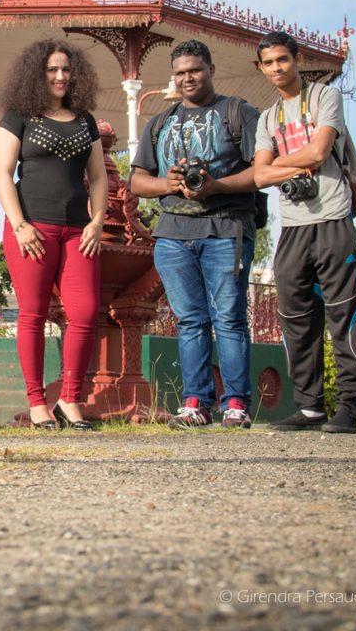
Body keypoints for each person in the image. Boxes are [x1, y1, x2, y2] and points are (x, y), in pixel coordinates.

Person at [130, 40, 261, 429]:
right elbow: (137, 181)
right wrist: (168, 184)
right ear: (174, 77)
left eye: (196, 70)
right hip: (173, 233)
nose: (189, 77)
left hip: (226, 229)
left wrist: (215, 186)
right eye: (181, 72)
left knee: (230, 318)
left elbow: (262, 171)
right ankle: (196, 402)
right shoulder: (159, 122)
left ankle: (235, 402)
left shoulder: (238, 113)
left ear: (211, 69)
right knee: (189, 321)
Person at [252, 31, 356, 434]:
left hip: (333, 217)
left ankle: (349, 406)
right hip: (294, 226)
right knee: (295, 315)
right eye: (268, 63)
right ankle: (310, 406)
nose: (277, 68)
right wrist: (287, 167)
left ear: (296, 59)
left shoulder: (323, 98)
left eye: (283, 59)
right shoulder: (269, 118)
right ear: (262, 68)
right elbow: (259, 174)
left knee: (344, 311)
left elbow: (319, 152)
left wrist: (280, 163)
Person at [0, 38, 107, 431]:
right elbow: (3, 173)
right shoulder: (19, 116)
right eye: (52, 69)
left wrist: (97, 221)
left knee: (86, 312)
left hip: (78, 231)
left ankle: (70, 399)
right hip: (32, 231)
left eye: (66, 69)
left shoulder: (84, 119)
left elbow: (98, 176)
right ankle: (38, 402)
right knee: (33, 315)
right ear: (37, 74)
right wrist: (19, 225)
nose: (60, 76)